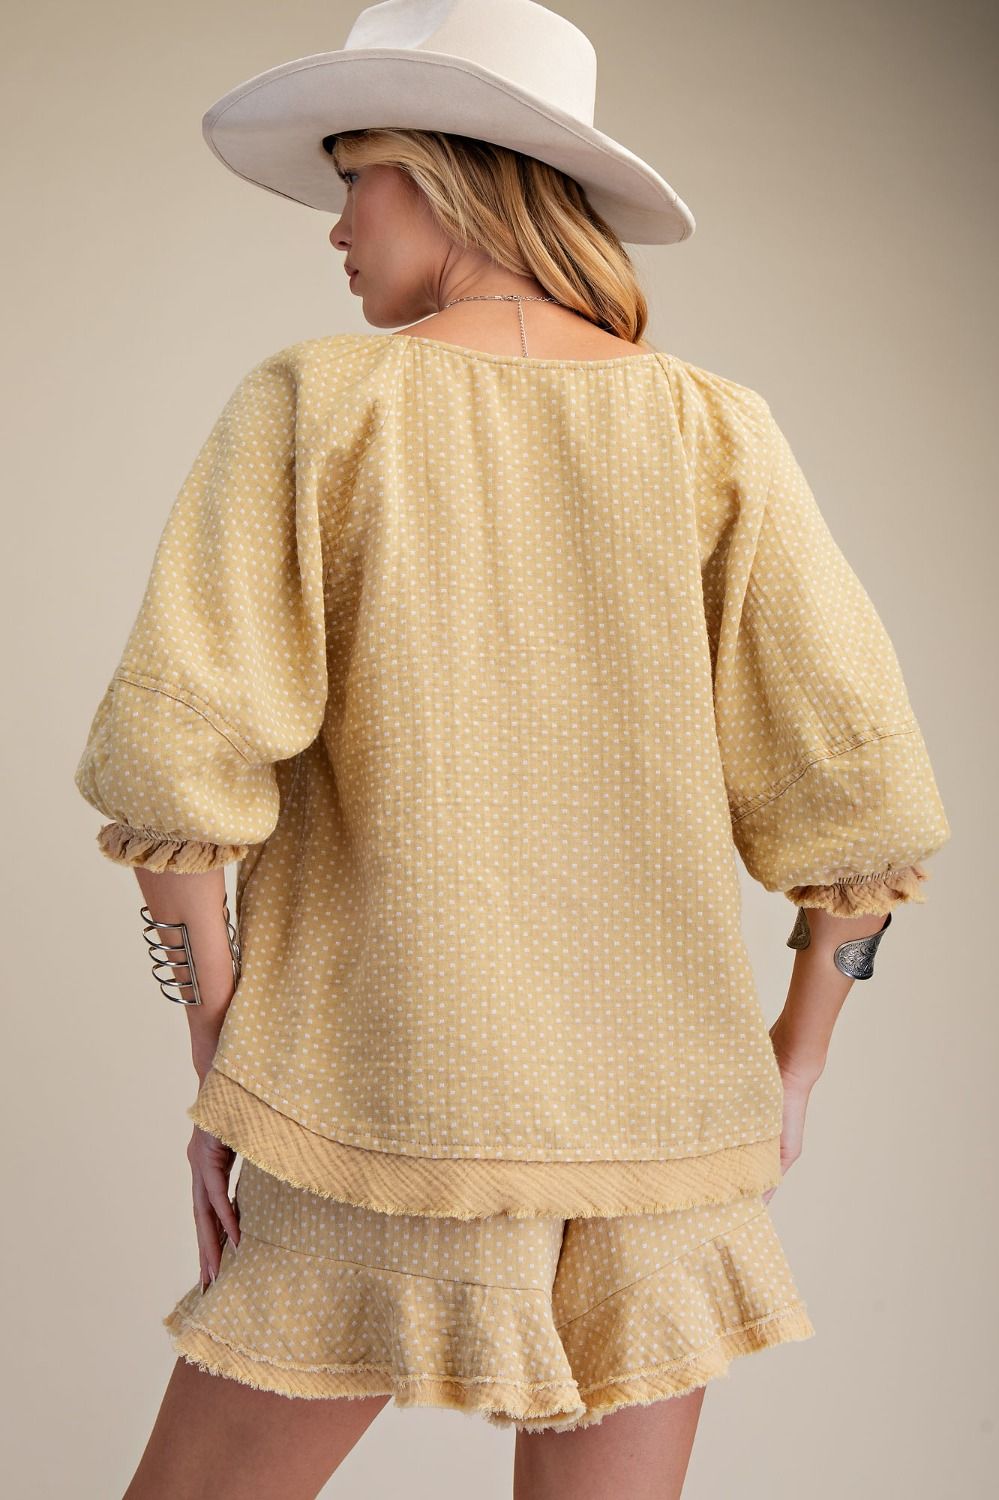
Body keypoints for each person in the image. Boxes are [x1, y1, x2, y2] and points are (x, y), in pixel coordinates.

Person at [73, 4, 951, 1497]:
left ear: (444, 170)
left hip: (371, 1110)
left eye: (354, 177)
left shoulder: (318, 404)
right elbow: (863, 807)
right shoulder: (717, 432)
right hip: (668, 1138)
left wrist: (216, 1039)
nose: (335, 227)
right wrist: (793, 1066)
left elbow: (177, 760)